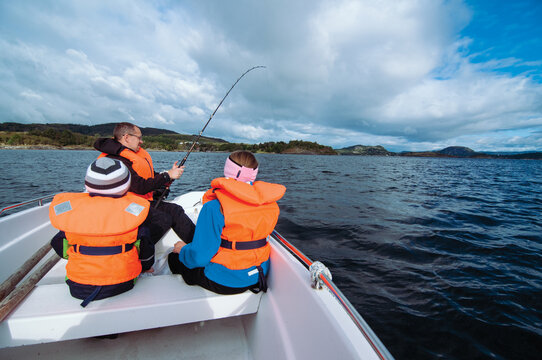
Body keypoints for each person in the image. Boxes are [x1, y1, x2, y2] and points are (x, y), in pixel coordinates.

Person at [168, 150, 286, 294]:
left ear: (228, 170)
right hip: (258, 274)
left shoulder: (214, 207)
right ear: (254, 173)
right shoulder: (271, 205)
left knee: (174, 257)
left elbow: (200, 258)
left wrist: (183, 250)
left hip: (226, 280)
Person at [49, 157, 153, 307]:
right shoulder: (134, 213)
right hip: (123, 282)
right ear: (126, 185)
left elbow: (58, 244)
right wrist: (146, 266)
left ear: (88, 183)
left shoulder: (73, 213)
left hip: (77, 285)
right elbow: (146, 249)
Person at [93, 122, 195, 246]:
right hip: (122, 208)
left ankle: (199, 248)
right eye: (139, 138)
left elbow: (148, 176)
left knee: (174, 210)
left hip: (135, 202)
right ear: (126, 137)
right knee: (163, 219)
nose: (141, 141)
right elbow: (139, 186)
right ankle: (135, 251)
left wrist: (168, 175)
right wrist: (167, 175)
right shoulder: (117, 159)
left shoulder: (129, 154)